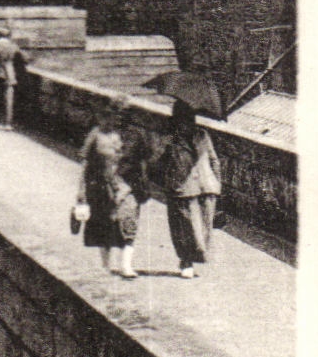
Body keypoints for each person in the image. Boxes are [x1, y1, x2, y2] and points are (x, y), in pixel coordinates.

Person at [76, 94, 151, 280]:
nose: (119, 117)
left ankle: (126, 265)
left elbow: (143, 162)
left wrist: (142, 186)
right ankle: (105, 266)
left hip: (129, 186)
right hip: (102, 185)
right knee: (104, 225)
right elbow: (85, 161)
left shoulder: (136, 135)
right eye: (116, 112)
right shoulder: (98, 133)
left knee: (128, 223)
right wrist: (81, 190)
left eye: (124, 113)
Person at [157, 100, 223, 279]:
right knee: (185, 228)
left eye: (189, 119)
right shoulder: (170, 139)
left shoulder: (202, 135)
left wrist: (217, 183)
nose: (187, 123)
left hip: (206, 186)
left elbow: (214, 159)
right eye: (183, 119)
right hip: (183, 188)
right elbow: (159, 163)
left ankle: (194, 258)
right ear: (176, 120)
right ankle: (186, 261)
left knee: (204, 228)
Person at [0, 27, 24, 128]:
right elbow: (21, 60)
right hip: (10, 74)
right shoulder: (13, 46)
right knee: (8, 100)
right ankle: (8, 123)